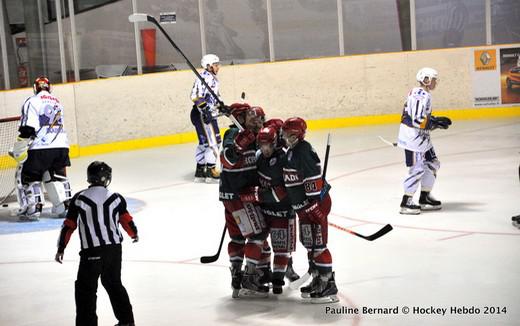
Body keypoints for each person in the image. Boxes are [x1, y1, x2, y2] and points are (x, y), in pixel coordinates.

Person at [55, 161, 138, 326]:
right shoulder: (116, 198)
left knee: (85, 289)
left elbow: (69, 226)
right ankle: (127, 322)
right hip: (114, 250)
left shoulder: (78, 198)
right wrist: (133, 234)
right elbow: (127, 220)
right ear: (106, 178)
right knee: (114, 283)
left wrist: (61, 248)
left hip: (91, 252)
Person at [281, 117, 338, 303]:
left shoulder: (303, 151)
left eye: (290, 135)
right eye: (285, 134)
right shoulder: (292, 151)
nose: (286, 138)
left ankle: (327, 283)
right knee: (310, 243)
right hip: (304, 208)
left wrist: (313, 206)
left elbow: (313, 183)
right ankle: (316, 280)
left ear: (298, 135)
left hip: (315, 205)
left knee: (319, 246)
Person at [240, 125, 299, 294]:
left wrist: (254, 195)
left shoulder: (284, 159)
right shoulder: (258, 157)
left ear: (275, 143)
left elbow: (280, 193)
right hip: (265, 211)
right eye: (262, 145)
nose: (265, 149)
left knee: (282, 247)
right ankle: (250, 274)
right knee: (256, 238)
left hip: (283, 211)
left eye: (269, 145)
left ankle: (278, 280)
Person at [219, 104, 268, 297]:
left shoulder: (251, 134)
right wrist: (238, 145)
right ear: (239, 118)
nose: (254, 121)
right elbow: (226, 160)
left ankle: (237, 277)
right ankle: (249, 278)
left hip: (231, 196)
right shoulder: (233, 134)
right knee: (257, 235)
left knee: (237, 238)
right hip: (240, 197)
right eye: (248, 117)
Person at [10, 76, 72, 221]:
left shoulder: (32, 101)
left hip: (40, 148)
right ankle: (63, 205)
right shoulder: (58, 102)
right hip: (61, 146)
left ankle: (34, 208)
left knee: (29, 176)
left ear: (35, 88)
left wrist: (19, 146)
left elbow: (28, 127)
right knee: (57, 177)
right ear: (50, 87)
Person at [397, 67, 451, 215]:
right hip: (413, 139)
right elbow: (416, 120)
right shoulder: (420, 95)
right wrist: (435, 122)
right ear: (426, 80)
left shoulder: (422, 93)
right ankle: (406, 201)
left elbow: (420, 118)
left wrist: (435, 121)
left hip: (421, 138)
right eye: (433, 79)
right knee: (417, 169)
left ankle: (424, 197)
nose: (435, 82)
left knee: (432, 163)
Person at [190, 54, 222, 183]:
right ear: (208, 66)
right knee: (214, 143)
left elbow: (214, 96)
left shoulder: (210, 78)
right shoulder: (205, 78)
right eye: (215, 65)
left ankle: (200, 170)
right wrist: (205, 111)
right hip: (203, 115)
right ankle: (211, 172)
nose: (218, 67)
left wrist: (222, 106)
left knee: (204, 143)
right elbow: (195, 96)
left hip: (202, 114)